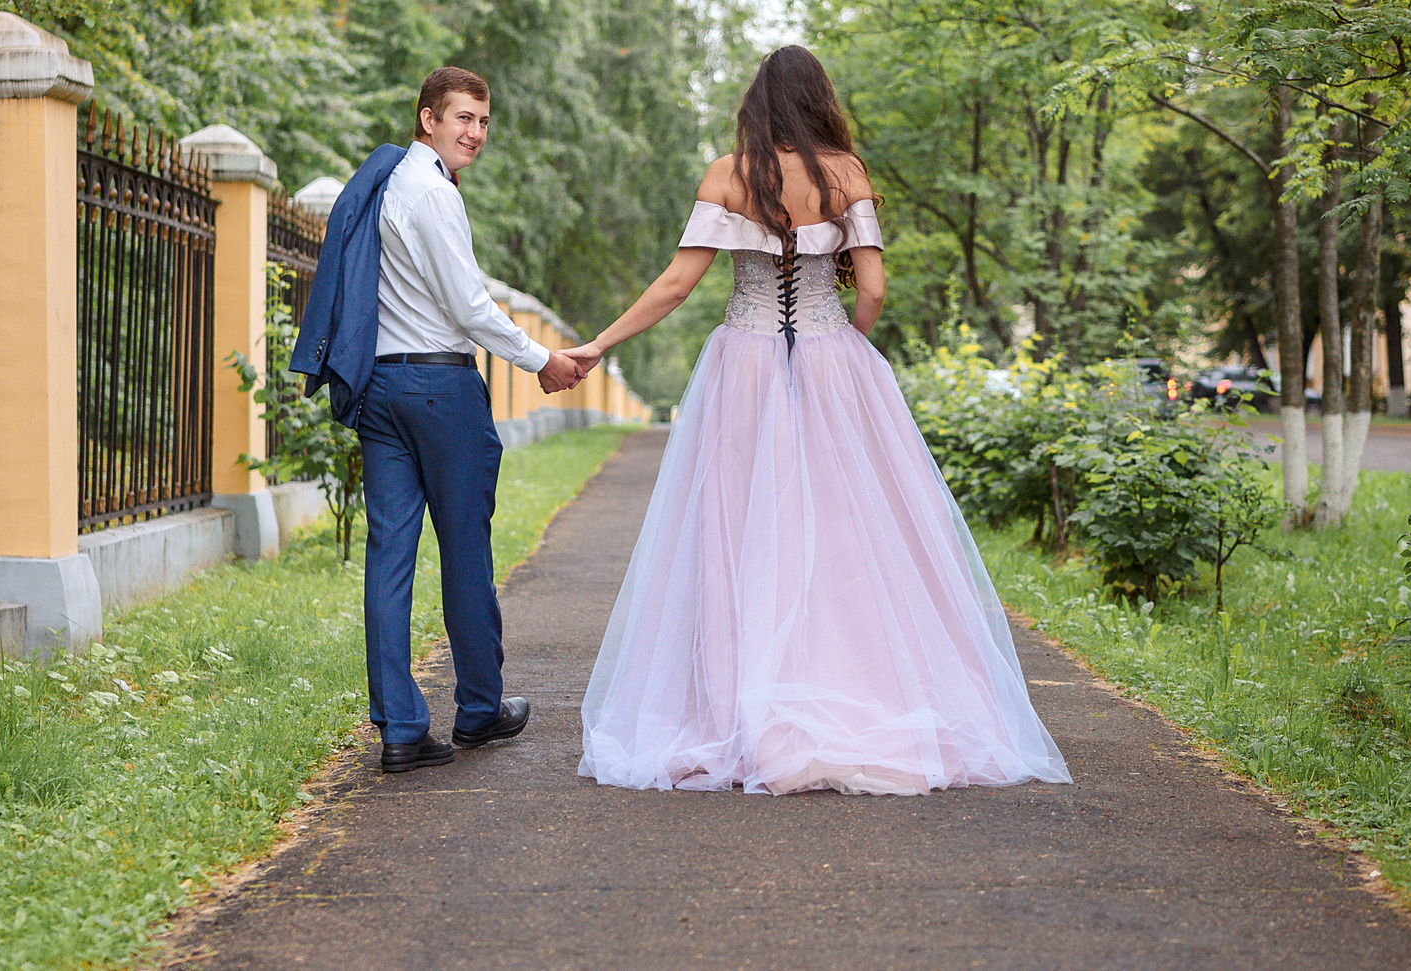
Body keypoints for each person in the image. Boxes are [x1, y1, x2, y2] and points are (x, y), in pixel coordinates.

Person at [557, 45, 1070, 795]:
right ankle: (857, 691)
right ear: (820, 100)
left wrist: (600, 342)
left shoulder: (729, 174)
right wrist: (846, 347)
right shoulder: (848, 174)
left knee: (738, 531)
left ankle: (744, 710)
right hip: (833, 360)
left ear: (756, 106)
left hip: (744, 366)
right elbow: (874, 288)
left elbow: (675, 284)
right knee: (849, 531)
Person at [287, 66, 588, 774]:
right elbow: (469, 306)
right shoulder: (434, 194)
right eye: (462, 118)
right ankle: (479, 709)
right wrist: (539, 357)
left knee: (389, 556)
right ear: (428, 119)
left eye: (483, 121)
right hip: (439, 387)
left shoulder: (391, 182)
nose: (475, 133)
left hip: (381, 388)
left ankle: (400, 725)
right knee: (464, 548)